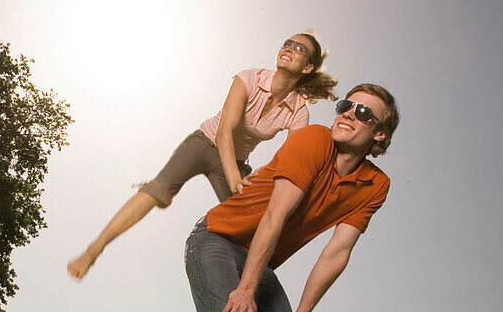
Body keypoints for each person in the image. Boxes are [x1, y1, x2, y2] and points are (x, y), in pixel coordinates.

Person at [184, 83, 400, 312]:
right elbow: (276, 214)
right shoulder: (314, 139)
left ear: (380, 134)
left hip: (260, 261)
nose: (348, 113)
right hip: (217, 237)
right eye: (347, 105)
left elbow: (337, 251)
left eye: (363, 113)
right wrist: (246, 291)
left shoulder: (375, 185)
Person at [67, 33, 338, 280]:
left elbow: (290, 160)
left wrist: (259, 180)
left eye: (298, 48)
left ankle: (246, 288)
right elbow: (224, 133)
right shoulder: (249, 78)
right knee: (157, 189)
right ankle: (94, 249)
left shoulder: (298, 112)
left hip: (236, 162)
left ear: (308, 68)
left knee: (254, 221)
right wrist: (235, 180)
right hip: (204, 143)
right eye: (286, 43)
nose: (288, 48)